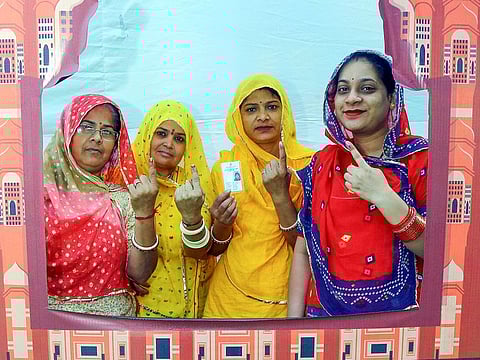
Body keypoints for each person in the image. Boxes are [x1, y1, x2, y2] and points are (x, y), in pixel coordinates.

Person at [288, 50, 428, 317]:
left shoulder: (419, 159)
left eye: (367, 88)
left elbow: (438, 251)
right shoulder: (322, 164)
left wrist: (383, 196)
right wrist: (292, 329)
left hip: (402, 323)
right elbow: (303, 250)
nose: (352, 98)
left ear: (391, 98)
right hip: (323, 318)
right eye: (343, 89)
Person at [203, 74, 314, 318]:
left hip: (287, 297)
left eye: (272, 107)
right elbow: (216, 247)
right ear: (238, 117)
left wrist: (280, 195)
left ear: (284, 112)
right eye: (251, 109)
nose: (262, 116)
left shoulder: (309, 166)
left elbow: (305, 245)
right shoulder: (226, 166)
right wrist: (221, 222)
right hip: (229, 299)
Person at [44, 94, 159, 316]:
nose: (97, 137)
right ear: (67, 132)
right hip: (53, 329)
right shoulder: (39, 197)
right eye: (86, 127)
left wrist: (145, 212)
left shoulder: (121, 199)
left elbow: (140, 275)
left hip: (116, 332)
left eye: (107, 132)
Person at [132, 100, 216, 318]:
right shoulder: (127, 184)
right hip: (143, 312)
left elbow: (201, 251)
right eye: (161, 134)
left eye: (179, 139)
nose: (169, 143)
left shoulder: (194, 187)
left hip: (195, 310)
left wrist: (192, 217)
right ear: (148, 135)